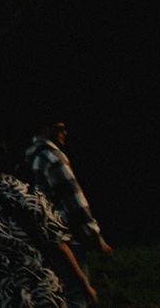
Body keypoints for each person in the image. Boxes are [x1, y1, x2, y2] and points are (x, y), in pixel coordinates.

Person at [0, 143, 94, 308]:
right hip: (44, 287)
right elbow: (59, 245)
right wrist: (83, 283)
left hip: (5, 291)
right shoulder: (32, 194)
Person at [19, 118, 109, 306]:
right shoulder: (53, 159)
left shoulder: (26, 158)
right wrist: (97, 238)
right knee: (75, 295)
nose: (64, 132)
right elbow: (74, 202)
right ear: (46, 129)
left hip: (37, 241)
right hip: (65, 240)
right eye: (60, 128)